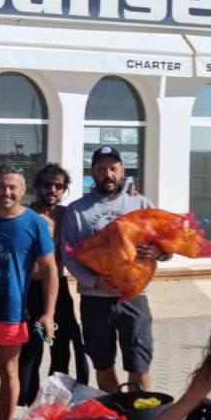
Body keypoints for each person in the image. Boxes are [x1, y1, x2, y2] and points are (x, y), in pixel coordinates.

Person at [59, 146, 166, 393]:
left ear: (122, 170)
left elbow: (165, 241)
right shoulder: (77, 210)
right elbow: (69, 255)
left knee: (139, 363)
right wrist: (95, 281)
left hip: (134, 298)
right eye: (101, 169)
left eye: (113, 168)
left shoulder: (140, 203)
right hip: (96, 299)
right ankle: (117, 415)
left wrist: (160, 252)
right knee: (103, 363)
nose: (108, 174)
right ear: (92, 173)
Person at [0, 163, 58, 420]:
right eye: (0, 186)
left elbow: (51, 270)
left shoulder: (34, 223)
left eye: (12, 187)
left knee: (8, 372)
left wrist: (49, 313)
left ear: (23, 190)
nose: (5, 192)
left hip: (11, 307)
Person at [17, 162, 89, 393]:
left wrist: (129, 192)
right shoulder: (24, 215)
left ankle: (54, 399)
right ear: (37, 186)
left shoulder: (68, 215)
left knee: (63, 345)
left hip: (59, 287)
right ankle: (26, 403)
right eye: (48, 185)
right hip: (29, 289)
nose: (53, 190)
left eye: (59, 186)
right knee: (30, 350)